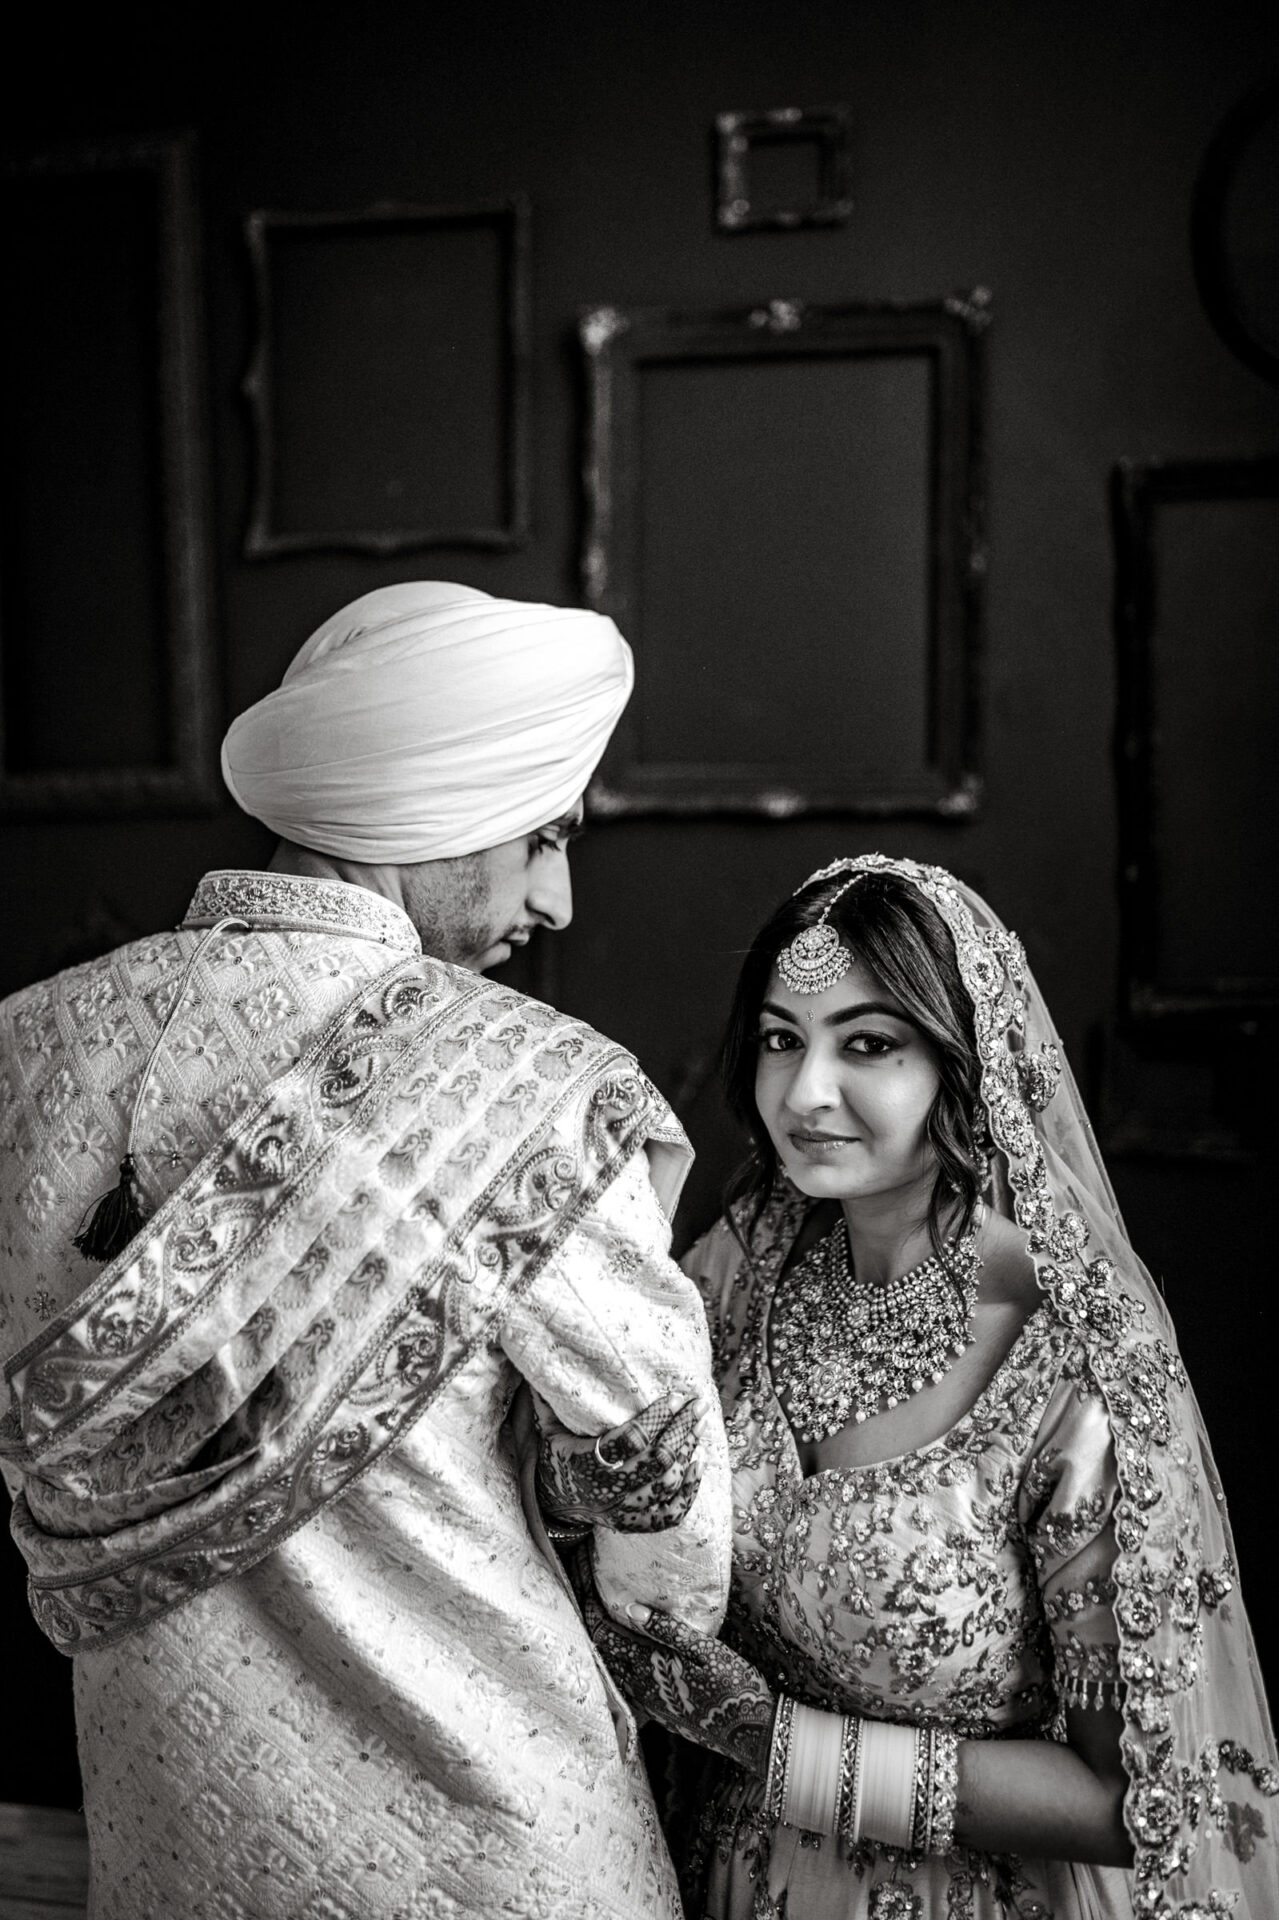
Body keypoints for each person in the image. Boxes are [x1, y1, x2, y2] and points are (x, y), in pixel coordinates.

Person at [0, 581, 732, 1920]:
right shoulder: (536, 1092)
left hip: (176, 1848)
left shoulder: (26, 1050)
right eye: (543, 838)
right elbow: (663, 1518)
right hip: (497, 1851)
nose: (556, 900)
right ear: (432, 806)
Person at [564, 854, 1279, 1918]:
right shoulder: (741, 1262)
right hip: (727, 1879)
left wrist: (777, 1747)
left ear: (963, 1063)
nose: (805, 1093)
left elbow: (1134, 1797)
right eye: (778, 1039)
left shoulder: (1069, 1357)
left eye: (867, 1044)